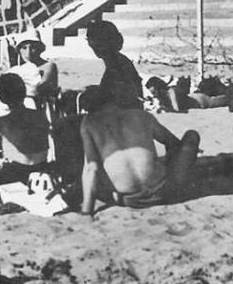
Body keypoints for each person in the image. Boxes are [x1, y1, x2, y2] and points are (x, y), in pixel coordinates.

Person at [79, 82, 201, 212]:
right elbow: (173, 143)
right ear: (113, 99)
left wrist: (86, 211)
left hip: (132, 200)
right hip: (165, 192)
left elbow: (91, 169)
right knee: (191, 136)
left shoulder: (89, 124)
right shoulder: (141, 115)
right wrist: (167, 160)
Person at [86, 20, 143, 109]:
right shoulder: (116, 61)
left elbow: (122, 98)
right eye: (91, 42)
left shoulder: (116, 65)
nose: (94, 47)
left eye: (98, 42)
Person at [10, 32, 59, 109]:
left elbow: (40, 87)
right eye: (24, 48)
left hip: (43, 109)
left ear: (39, 49)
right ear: (19, 51)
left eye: (32, 48)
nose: (28, 53)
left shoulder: (48, 66)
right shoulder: (18, 69)